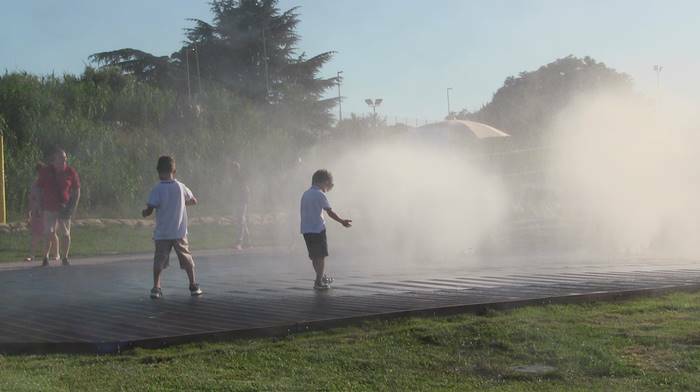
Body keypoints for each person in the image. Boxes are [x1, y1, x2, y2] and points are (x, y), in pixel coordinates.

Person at [142, 156, 203, 299]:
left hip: (163, 233)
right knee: (186, 258)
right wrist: (181, 204)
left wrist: (145, 212)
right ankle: (193, 284)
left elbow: (150, 208)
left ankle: (156, 287)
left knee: (159, 260)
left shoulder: (157, 188)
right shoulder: (181, 186)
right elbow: (194, 201)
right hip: (179, 231)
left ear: (158, 171)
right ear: (174, 170)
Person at [300, 169, 352, 290]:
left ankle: (320, 277)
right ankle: (318, 282)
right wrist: (342, 221)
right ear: (324, 182)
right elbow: (329, 212)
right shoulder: (320, 194)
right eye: (329, 186)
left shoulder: (305, 194)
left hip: (306, 230)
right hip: (318, 229)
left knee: (314, 256)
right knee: (321, 256)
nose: (328, 189)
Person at [38, 148, 80, 266]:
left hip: (64, 207)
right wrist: (38, 205)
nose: (63, 161)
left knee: (65, 234)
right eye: (61, 159)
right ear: (54, 160)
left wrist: (73, 207)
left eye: (65, 159)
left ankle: (65, 257)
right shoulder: (46, 172)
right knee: (48, 232)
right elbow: (38, 188)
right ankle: (45, 257)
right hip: (49, 207)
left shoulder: (71, 172)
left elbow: (77, 190)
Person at [25, 163, 58, 262]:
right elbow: (31, 198)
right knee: (35, 233)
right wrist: (29, 212)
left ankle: (56, 254)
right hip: (37, 212)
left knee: (52, 233)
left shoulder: (50, 183)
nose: (41, 174)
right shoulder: (35, 184)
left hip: (49, 211)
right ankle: (32, 255)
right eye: (39, 172)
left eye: (42, 172)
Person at [230, 161, 250, 250]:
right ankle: (248, 242)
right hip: (237, 201)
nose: (233, 170)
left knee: (241, 220)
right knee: (241, 220)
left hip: (242, 201)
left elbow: (246, 189)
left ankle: (239, 242)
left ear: (237, 169)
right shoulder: (234, 178)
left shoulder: (241, 178)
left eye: (234, 168)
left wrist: (246, 199)